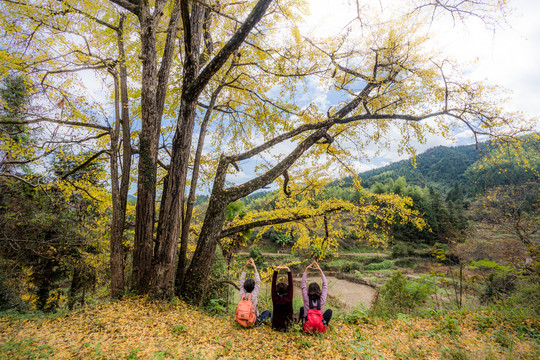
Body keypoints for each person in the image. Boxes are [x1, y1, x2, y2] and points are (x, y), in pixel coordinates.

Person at [300, 260, 332, 332]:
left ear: (309, 290)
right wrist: (321, 271)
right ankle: (323, 325)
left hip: (307, 328)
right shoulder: (322, 299)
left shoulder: (306, 299)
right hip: (319, 328)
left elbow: (303, 285)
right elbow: (325, 286)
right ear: (319, 290)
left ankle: (304, 324)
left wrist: (306, 270)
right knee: (329, 311)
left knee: (302, 309)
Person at [238, 258, 271, 325]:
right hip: (252, 319)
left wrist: (245, 267)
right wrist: (254, 266)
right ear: (253, 287)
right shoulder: (253, 294)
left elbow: (241, 280)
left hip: (243, 317)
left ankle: (243, 321)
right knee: (267, 312)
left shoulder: (242, 294)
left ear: (244, 286)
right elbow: (258, 281)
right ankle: (256, 322)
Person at [271, 265, 294, 331]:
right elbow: (291, 285)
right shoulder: (289, 298)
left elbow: (273, 285)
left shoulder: (275, 299)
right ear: (287, 290)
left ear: (277, 290)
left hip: (276, 326)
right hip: (288, 326)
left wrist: (275, 271)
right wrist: (288, 270)